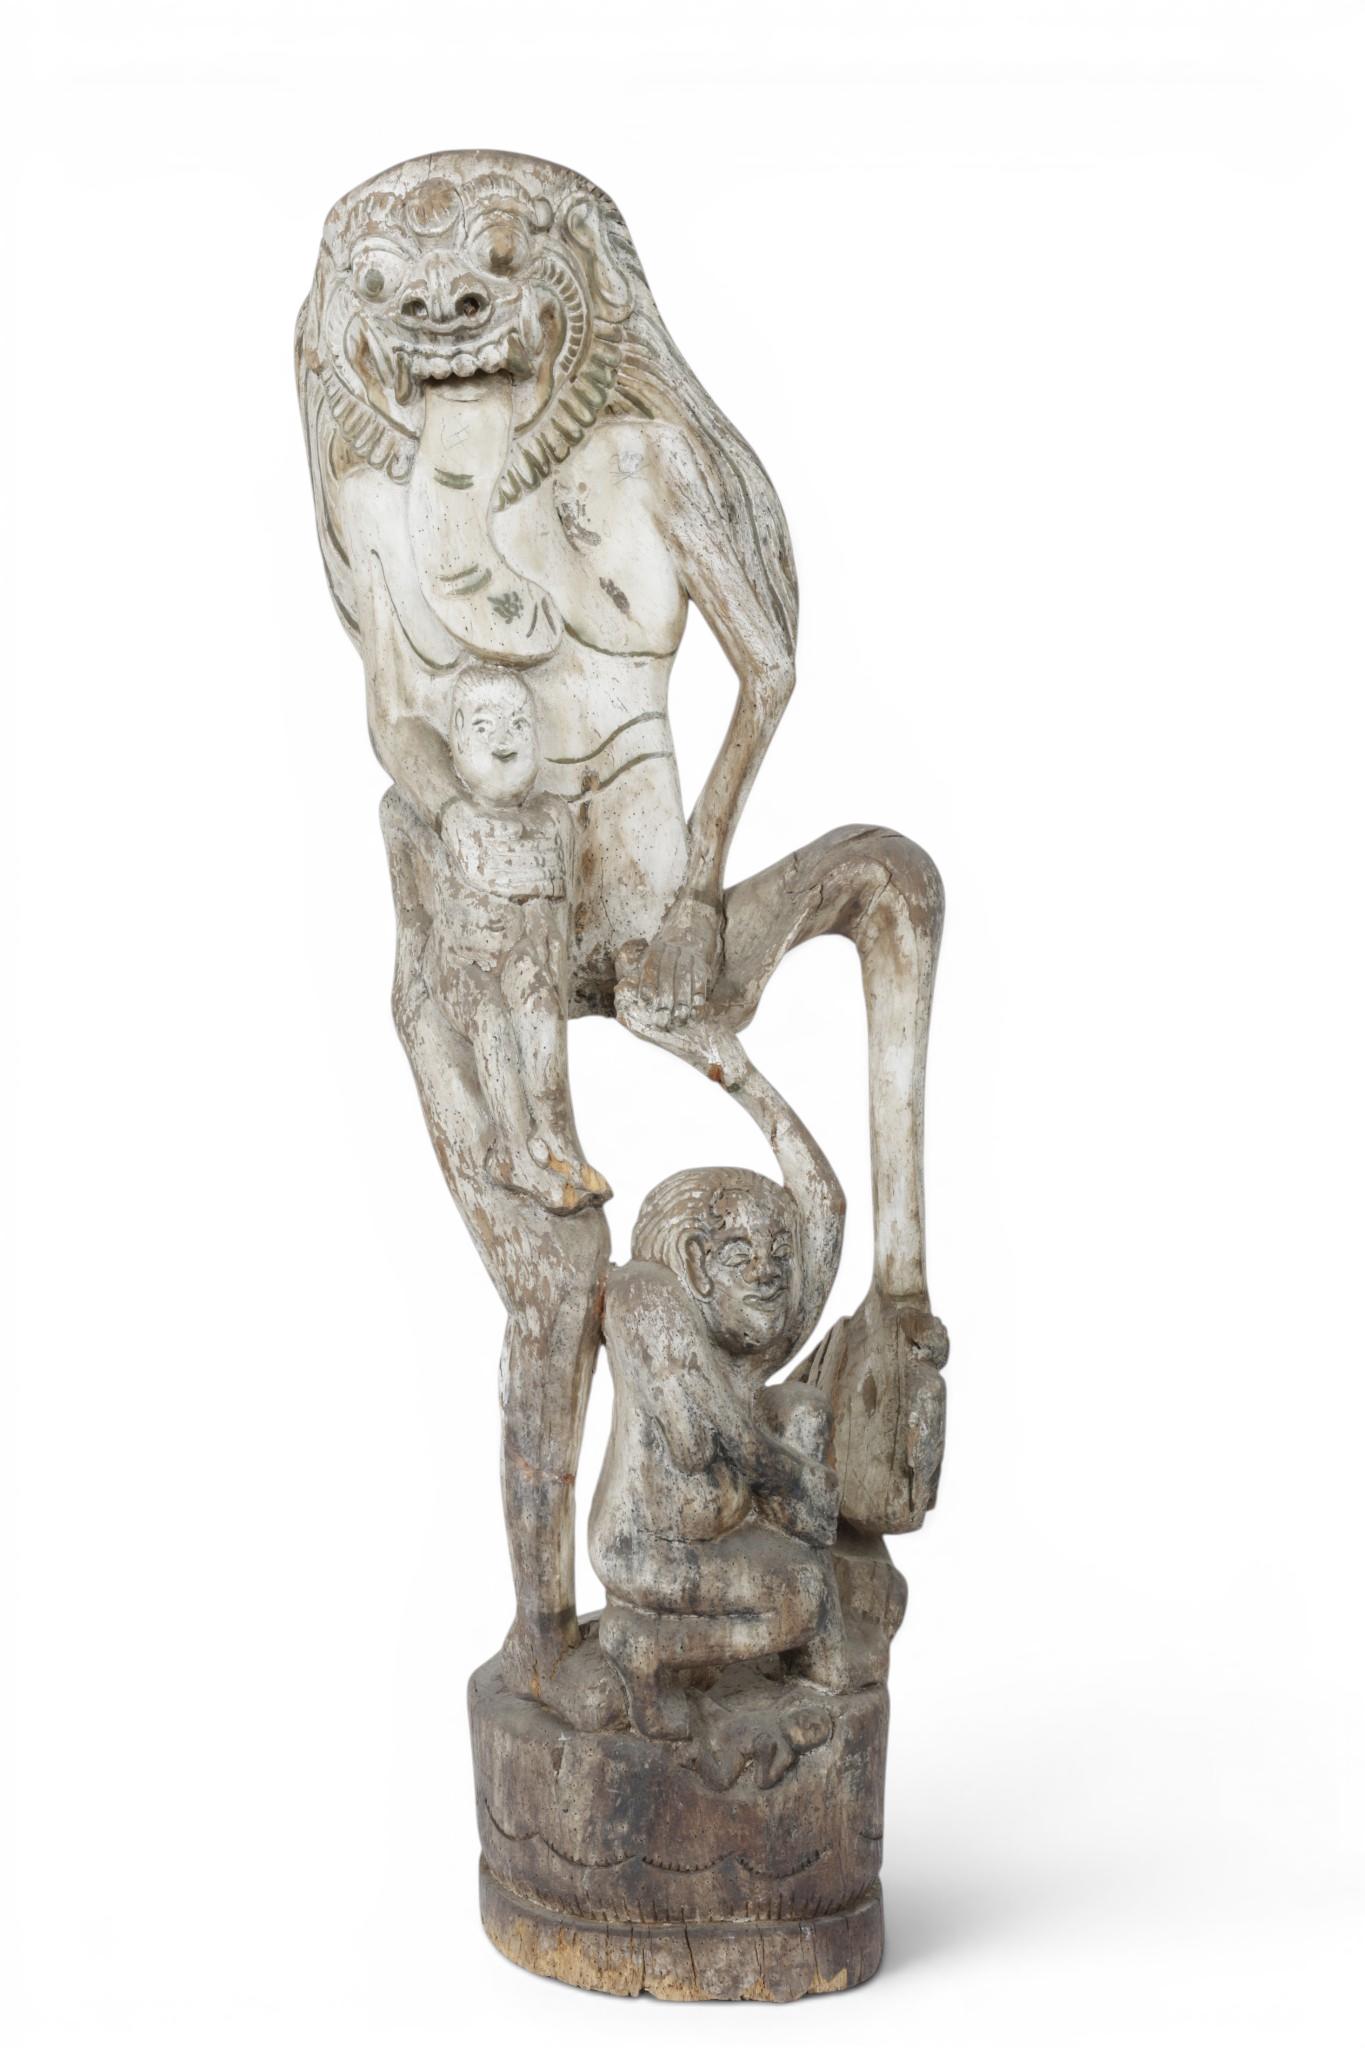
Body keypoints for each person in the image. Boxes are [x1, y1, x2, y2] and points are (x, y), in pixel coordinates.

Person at [589, 1013, 850, 1738]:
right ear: (698, 1267)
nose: (769, 1274)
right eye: (742, 1257)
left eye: (779, 1257)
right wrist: (802, 1486)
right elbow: (705, 1440)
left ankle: (789, 1663)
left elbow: (825, 1205)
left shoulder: (752, 1341)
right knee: (802, 1596)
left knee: (801, 1409)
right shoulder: (646, 1301)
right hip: (649, 1550)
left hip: (721, 1532)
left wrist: (738, 1075)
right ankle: (646, 1649)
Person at [428, 664, 610, 1214]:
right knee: (491, 1022)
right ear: (458, 737)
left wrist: (543, 975)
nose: (504, 740)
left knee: (540, 1012)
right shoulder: (457, 818)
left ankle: (553, 1135)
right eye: (485, 727)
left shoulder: (551, 818)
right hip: (463, 967)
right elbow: (443, 911)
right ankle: (513, 1152)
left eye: (518, 725)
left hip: (524, 956)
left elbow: (555, 918)